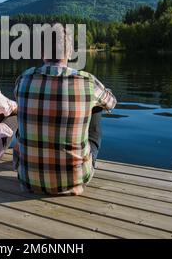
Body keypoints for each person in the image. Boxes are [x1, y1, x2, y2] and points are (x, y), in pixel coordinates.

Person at [13, 25, 117, 195]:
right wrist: (101, 95)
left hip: (28, 180)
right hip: (75, 180)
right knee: (97, 106)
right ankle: (77, 169)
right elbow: (112, 103)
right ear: (69, 53)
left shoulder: (23, 79)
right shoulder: (88, 82)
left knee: (29, 110)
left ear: (42, 53)